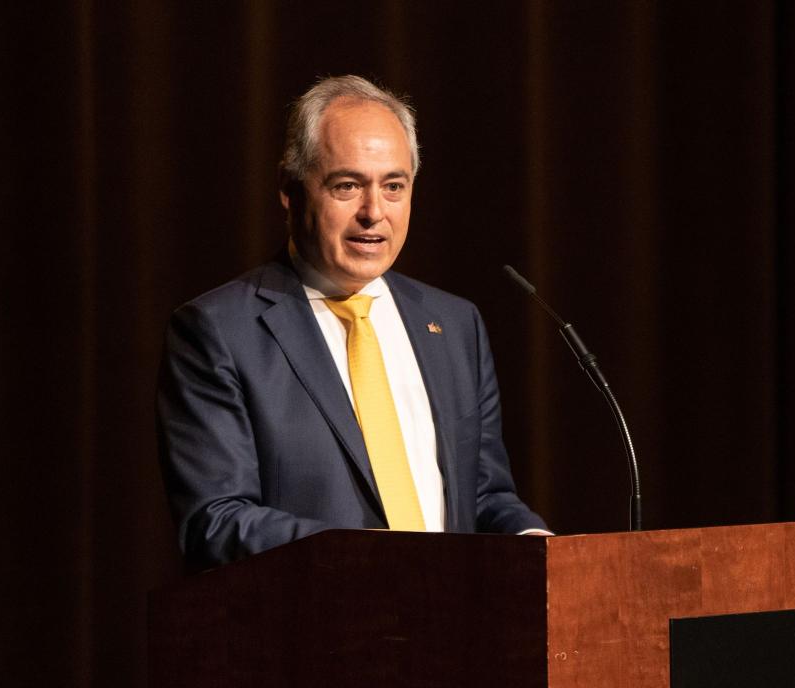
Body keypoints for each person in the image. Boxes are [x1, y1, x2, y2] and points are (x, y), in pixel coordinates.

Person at [158, 75, 548, 568]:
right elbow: (215, 520)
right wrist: (377, 559)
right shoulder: (218, 332)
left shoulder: (454, 325)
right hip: (310, 633)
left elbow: (483, 496)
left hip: (451, 634)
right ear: (289, 189)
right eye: (347, 185)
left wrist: (539, 543)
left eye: (393, 186)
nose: (374, 212)